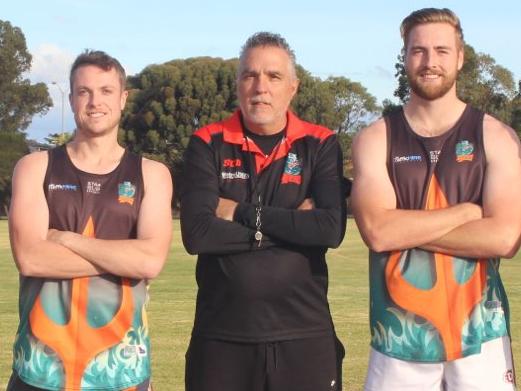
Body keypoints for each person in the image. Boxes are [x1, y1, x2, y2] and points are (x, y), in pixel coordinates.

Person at [351, 8, 521, 391]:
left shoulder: (495, 135)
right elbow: (377, 232)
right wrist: (466, 213)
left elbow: (504, 238)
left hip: (481, 335)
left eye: (442, 51)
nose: (430, 62)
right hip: (398, 336)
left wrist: (404, 228)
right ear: (405, 57)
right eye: (418, 51)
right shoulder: (375, 138)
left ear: (460, 58)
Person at [180, 32, 347, 391]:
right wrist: (293, 225)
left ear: (293, 87)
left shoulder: (320, 143)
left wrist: (240, 212)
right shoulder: (207, 142)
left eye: (273, 76)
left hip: (305, 337)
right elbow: (197, 234)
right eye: (249, 75)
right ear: (238, 84)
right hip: (222, 337)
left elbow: (330, 229)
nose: (260, 87)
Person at [7, 50, 172, 391]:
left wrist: (66, 239)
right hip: (40, 371)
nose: (95, 101)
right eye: (84, 92)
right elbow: (31, 257)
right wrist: (124, 258)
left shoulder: (152, 175)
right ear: (71, 99)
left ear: (124, 98)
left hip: (120, 372)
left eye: (106, 91)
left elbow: (150, 261)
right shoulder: (34, 167)